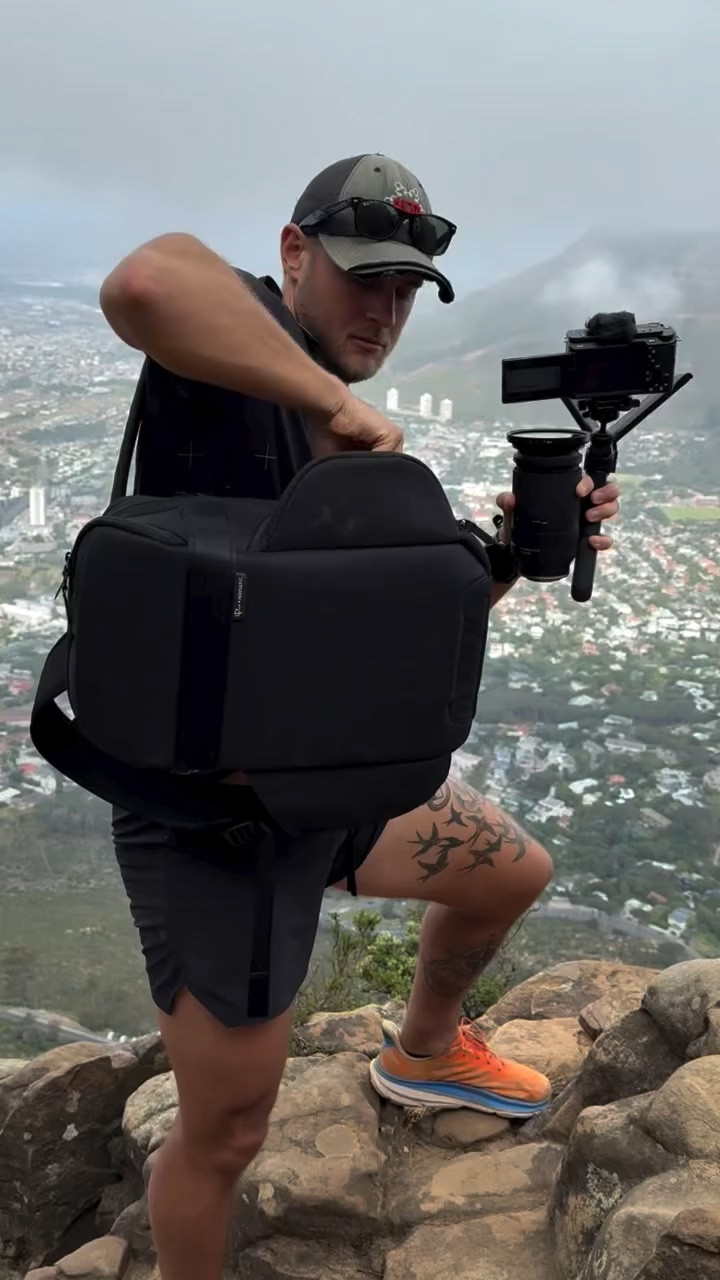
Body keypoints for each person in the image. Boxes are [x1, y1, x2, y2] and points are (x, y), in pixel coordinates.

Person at [99, 153, 620, 1280]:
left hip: (321, 776)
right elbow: (144, 282)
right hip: (214, 818)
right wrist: (335, 404)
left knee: (509, 871)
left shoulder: (353, 455)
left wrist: (523, 554)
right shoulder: (238, 358)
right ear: (294, 256)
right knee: (230, 1132)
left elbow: (381, 639)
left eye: (402, 290)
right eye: (361, 279)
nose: (382, 310)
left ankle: (425, 1054)